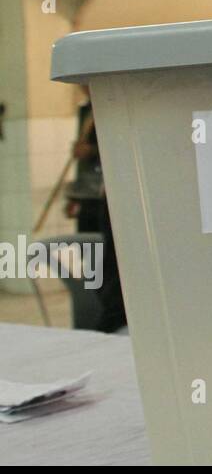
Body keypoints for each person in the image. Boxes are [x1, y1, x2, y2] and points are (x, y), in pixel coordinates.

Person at [63, 89, 127, 333]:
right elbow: (83, 162)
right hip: (90, 197)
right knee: (94, 263)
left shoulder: (116, 105)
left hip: (110, 194)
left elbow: (116, 148)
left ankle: (110, 316)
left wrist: (91, 151)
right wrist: (74, 194)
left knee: (111, 262)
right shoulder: (86, 110)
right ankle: (99, 309)